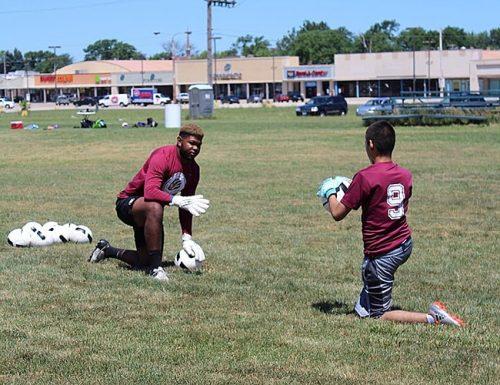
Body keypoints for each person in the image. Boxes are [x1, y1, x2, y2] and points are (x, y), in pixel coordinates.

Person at [317, 120, 463, 326]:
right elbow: (402, 207)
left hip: (382, 253)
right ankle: (366, 300)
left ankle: (432, 317)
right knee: (369, 279)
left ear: (370, 145)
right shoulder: (405, 174)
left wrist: (330, 191)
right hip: (403, 244)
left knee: (379, 313)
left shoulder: (365, 177)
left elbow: (337, 212)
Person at [88, 123, 210, 281]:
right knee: (155, 206)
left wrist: (186, 237)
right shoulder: (163, 155)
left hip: (151, 214)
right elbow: (150, 191)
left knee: (143, 261)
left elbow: (187, 206)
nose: (195, 148)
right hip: (128, 204)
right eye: (191, 143)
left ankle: (107, 250)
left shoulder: (194, 170)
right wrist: (176, 199)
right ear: (179, 141)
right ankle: (156, 269)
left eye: (198, 145)